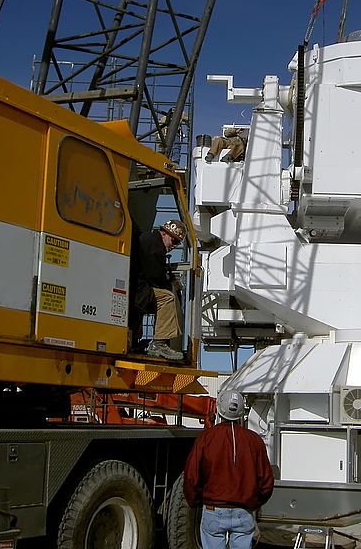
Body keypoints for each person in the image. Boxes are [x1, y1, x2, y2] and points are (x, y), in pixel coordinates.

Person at [183, 389, 275, 549]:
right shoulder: (254, 441)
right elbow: (266, 481)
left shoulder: (206, 438)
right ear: (241, 412)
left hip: (213, 510)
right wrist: (255, 503)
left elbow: (191, 477)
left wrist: (197, 502)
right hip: (243, 511)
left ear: (218, 409)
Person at [129, 219, 187, 360]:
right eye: (174, 241)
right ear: (164, 233)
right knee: (167, 298)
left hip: (133, 286)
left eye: (178, 243)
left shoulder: (146, 239)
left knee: (143, 304)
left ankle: (133, 341)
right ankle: (159, 343)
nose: (174, 246)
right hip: (137, 289)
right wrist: (169, 283)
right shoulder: (155, 247)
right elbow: (156, 277)